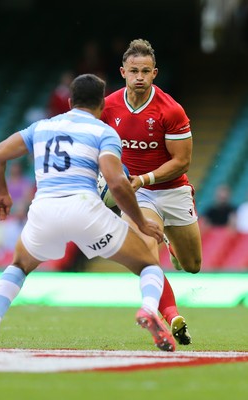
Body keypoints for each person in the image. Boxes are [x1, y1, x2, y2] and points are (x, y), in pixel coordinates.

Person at [0, 73, 176, 352]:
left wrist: (1, 193)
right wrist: (141, 222)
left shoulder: (41, 127)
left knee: (18, 266)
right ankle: (149, 309)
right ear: (102, 104)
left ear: (69, 101)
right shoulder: (103, 132)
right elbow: (116, 182)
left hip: (44, 210)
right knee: (148, 264)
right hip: (84, 208)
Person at [101, 38, 202, 343]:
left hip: (172, 191)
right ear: (122, 72)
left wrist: (143, 178)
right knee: (145, 255)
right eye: (134, 71)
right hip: (138, 195)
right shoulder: (108, 107)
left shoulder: (170, 110)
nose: (140, 77)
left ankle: (173, 244)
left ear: (155, 73)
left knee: (192, 266)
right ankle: (168, 315)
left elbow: (182, 162)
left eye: (146, 71)